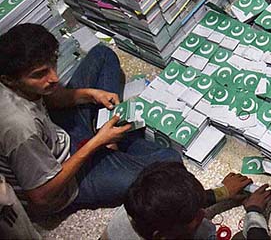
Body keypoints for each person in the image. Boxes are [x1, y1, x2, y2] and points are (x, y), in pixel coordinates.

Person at [0, 23, 181, 218]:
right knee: (170, 161)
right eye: (40, 74)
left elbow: (49, 98)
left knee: (103, 55)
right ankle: (111, 141)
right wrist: (97, 143)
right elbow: (42, 197)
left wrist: (90, 94)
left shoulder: (22, 85)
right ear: (9, 80)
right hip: (64, 182)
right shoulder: (20, 128)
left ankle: (109, 137)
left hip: (59, 135)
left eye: (53, 63)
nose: (54, 77)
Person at [103, 161, 271, 240]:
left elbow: (179, 202)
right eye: (193, 216)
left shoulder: (140, 203)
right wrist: (255, 213)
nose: (203, 213)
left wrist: (221, 192)